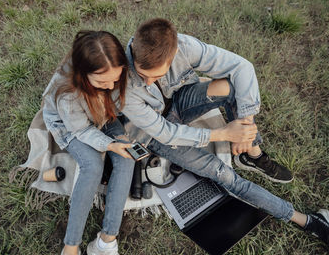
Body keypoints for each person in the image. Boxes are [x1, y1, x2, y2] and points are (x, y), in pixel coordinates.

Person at [121, 18, 329, 247]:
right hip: (157, 133)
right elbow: (166, 133)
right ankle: (307, 221)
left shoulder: (185, 46)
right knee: (224, 174)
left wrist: (246, 122)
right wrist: (223, 134)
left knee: (232, 87)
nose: (149, 81)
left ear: (173, 53)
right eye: (144, 74)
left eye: (158, 74)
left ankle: (251, 153)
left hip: (179, 102)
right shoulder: (124, 81)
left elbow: (242, 67)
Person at [42, 31, 135, 255]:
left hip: (106, 116)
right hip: (72, 126)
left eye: (116, 78)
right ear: (84, 74)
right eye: (102, 81)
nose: (111, 84)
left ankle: (106, 240)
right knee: (93, 166)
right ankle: (71, 245)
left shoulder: (114, 73)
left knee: (127, 158)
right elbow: (82, 130)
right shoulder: (68, 94)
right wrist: (109, 144)